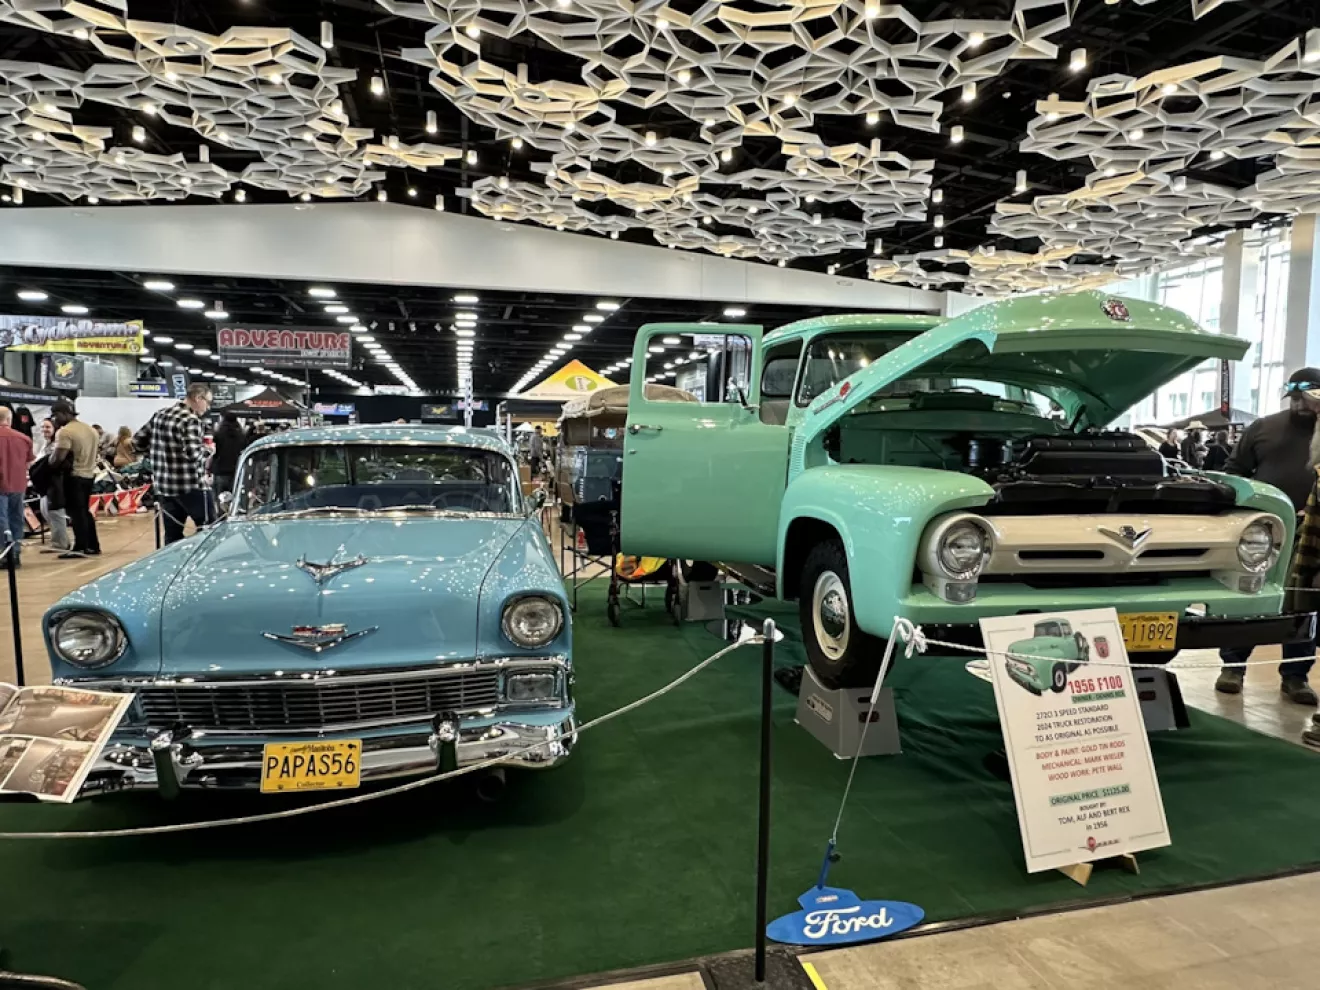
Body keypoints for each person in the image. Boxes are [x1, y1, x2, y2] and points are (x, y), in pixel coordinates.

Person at [1216, 367, 1320, 704]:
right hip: (1265, 532)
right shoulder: (1263, 428)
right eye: (1295, 397)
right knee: (1250, 596)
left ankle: (1295, 675)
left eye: (1307, 398)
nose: (1300, 404)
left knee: (1304, 604)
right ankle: (1233, 667)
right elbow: (1234, 473)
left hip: (1312, 534)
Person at [134, 383, 212, 544]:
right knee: (210, 530)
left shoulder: (160, 414)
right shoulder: (191, 420)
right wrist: (209, 450)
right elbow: (193, 455)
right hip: (191, 486)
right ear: (198, 398)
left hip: (165, 487)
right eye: (208, 402)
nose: (208, 407)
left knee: (172, 536)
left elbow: (136, 442)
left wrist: (157, 454)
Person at [49, 399, 100, 558]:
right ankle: (92, 545)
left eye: (56, 415)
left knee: (76, 513)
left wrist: (48, 463)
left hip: (74, 476)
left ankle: (80, 547)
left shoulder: (65, 432)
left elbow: (58, 458)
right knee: (84, 511)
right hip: (89, 475)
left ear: (64, 414)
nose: (54, 419)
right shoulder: (91, 430)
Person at [0, 407, 32, 567]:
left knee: (1, 519)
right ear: (9, 419)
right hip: (18, 485)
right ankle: (15, 553)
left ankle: (4, 553)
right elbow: (29, 462)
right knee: (16, 519)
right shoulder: (24, 439)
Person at [211, 411, 247, 495]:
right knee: (234, 497)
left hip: (220, 469)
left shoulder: (218, 434)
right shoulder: (241, 435)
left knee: (219, 498)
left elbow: (214, 451)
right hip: (236, 470)